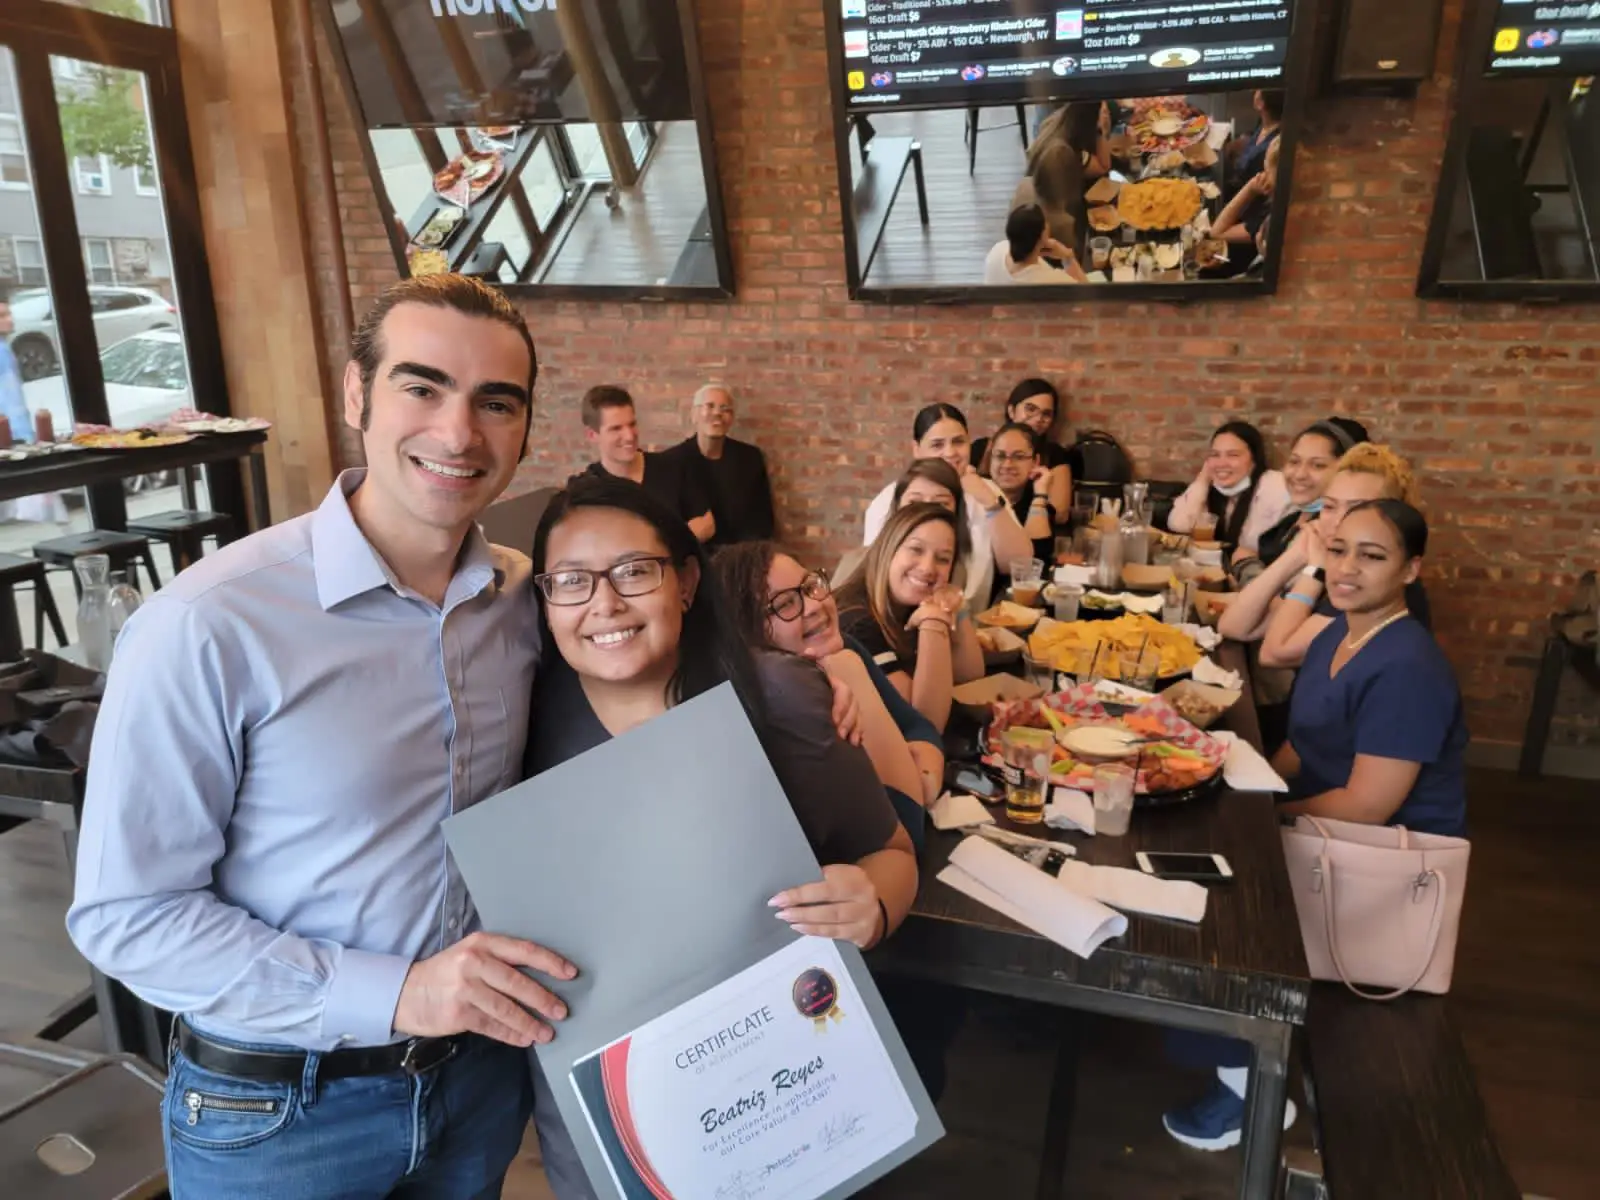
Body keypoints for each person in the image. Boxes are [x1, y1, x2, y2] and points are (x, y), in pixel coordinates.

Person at [66, 274, 576, 1199]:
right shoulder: (211, 623)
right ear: (356, 394)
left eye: (494, 402)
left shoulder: (521, 599)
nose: (459, 434)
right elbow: (125, 915)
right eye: (421, 387)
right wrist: (398, 994)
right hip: (276, 1116)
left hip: (479, 1086)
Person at [712, 540, 945, 841]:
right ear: (745, 633)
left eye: (811, 586)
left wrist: (926, 773)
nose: (814, 606)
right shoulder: (786, 707)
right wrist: (848, 670)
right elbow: (906, 828)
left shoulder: (844, 645)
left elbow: (918, 726)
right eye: (784, 604)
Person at [1275, 499, 1467, 834]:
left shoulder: (1408, 669)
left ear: (1410, 569)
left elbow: (1365, 808)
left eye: (1372, 555)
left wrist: (1269, 813)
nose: (1346, 568)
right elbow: (1301, 744)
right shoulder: (1337, 632)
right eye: (1337, 550)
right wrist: (1254, 789)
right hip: (1316, 817)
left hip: (1375, 851)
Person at [1254, 443, 1431, 668]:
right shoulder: (1335, 566)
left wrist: (1314, 570)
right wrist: (1299, 556)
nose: (1339, 521)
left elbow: (1273, 653)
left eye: (1357, 509)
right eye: (1329, 506)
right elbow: (1235, 625)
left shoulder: (1367, 581)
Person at [862, 403, 1034, 609]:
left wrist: (988, 502)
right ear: (917, 450)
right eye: (937, 445)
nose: (950, 452)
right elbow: (875, 573)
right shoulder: (893, 496)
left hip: (971, 623)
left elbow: (1019, 564)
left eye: (958, 442)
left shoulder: (987, 490)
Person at [836, 502, 984, 731]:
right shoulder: (856, 622)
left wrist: (956, 604)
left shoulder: (908, 604)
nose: (927, 568)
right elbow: (926, 723)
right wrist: (933, 620)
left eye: (943, 559)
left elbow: (970, 675)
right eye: (916, 549)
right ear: (888, 549)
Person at [571, 384, 714, 542]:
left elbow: (707, 526)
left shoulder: (674, 467)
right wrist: (678, 537)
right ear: (592, 435)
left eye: (632, 424)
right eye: (616, 428)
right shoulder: (585, 489)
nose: (629, 436)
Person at [1243, 417, 1370, 579]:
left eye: (1318, 465)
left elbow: (1293, 601)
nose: (1300, 474)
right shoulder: (1292, 519)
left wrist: (1245, 567)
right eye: (1294, 461)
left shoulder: (1334, 533)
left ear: (1346, 470)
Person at [663, 382, 775, 548]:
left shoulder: (750, 458)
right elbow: (665, 530)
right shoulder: (671, 462)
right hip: (693, 562)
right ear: (694, 415)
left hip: (743, 559)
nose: (717, 413)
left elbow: (764, 521)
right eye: (709, 406)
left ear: (731, 419)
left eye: (725, 409)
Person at [1165, 420, 1291, 556]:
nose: (1222, 463)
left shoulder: (1275, 485)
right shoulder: (1210, 488)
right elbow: (1178, 524)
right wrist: (1203, 479)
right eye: (1215, 455)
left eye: (1233, 455)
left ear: (1254, 459)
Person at [982, 423, 1058, 575]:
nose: (1008, 464)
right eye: (1000, 456)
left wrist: (1040, 495)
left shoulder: (1037, 504)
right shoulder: (978, 495)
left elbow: (1034, 566)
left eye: (1019, 457)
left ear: (1035, 462)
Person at [971, 377, 1073, 474]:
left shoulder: (1055, 455)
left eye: (1046, 414)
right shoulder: (981, 448)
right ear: (1011, 411)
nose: (1038, 419)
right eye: (1031, 409)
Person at [984, 203, 1088, 285]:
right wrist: (1068, 257)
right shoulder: (1054, 281)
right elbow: (1090, 299)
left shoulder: (996, 251)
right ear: (1043, 235)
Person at [0, 294, 35, 445]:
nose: (9, 320)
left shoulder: (5, 347)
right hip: (12, 433)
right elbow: (10, 397)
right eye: (2, 316)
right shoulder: (2, 351)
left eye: (9, 314)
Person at [1231, 89, 1284, 187]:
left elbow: (1241, 175)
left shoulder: (1269, 148)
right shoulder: (1266, 122)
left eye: (1257, 91)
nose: (1254, 92)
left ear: (1261, 104)